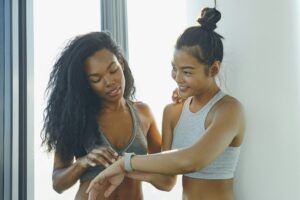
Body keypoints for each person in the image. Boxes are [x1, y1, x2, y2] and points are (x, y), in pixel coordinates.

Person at [86, 7, 245, 200]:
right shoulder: (173, 112)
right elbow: (166, 181)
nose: (177, 78)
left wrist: (126, 163)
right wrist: (124, 169)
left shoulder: (229, 110)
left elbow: (192, 160)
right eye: (174, 68)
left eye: (187, 72)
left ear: (213, 69)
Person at [41, 31, 176, 200]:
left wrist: (130, 167)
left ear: (121, 63)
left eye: (113, 70)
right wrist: (83, 162)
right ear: (86, 83)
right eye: (96, 79)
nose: (109, 82)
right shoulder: (77, 119)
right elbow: (58, 184)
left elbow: (167, 181)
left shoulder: (143, 113)